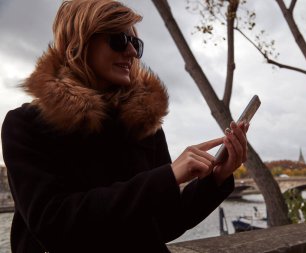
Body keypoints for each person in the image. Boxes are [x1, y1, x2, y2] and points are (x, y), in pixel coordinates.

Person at [1, 0, 248, 252]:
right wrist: (166, 178)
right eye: (119, 40)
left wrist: (215, 179)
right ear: (79, 44)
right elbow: (53, 225)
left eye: (136, 44)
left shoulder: (143, 123)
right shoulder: (24, 126)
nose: (131, 52)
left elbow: (165, 224)